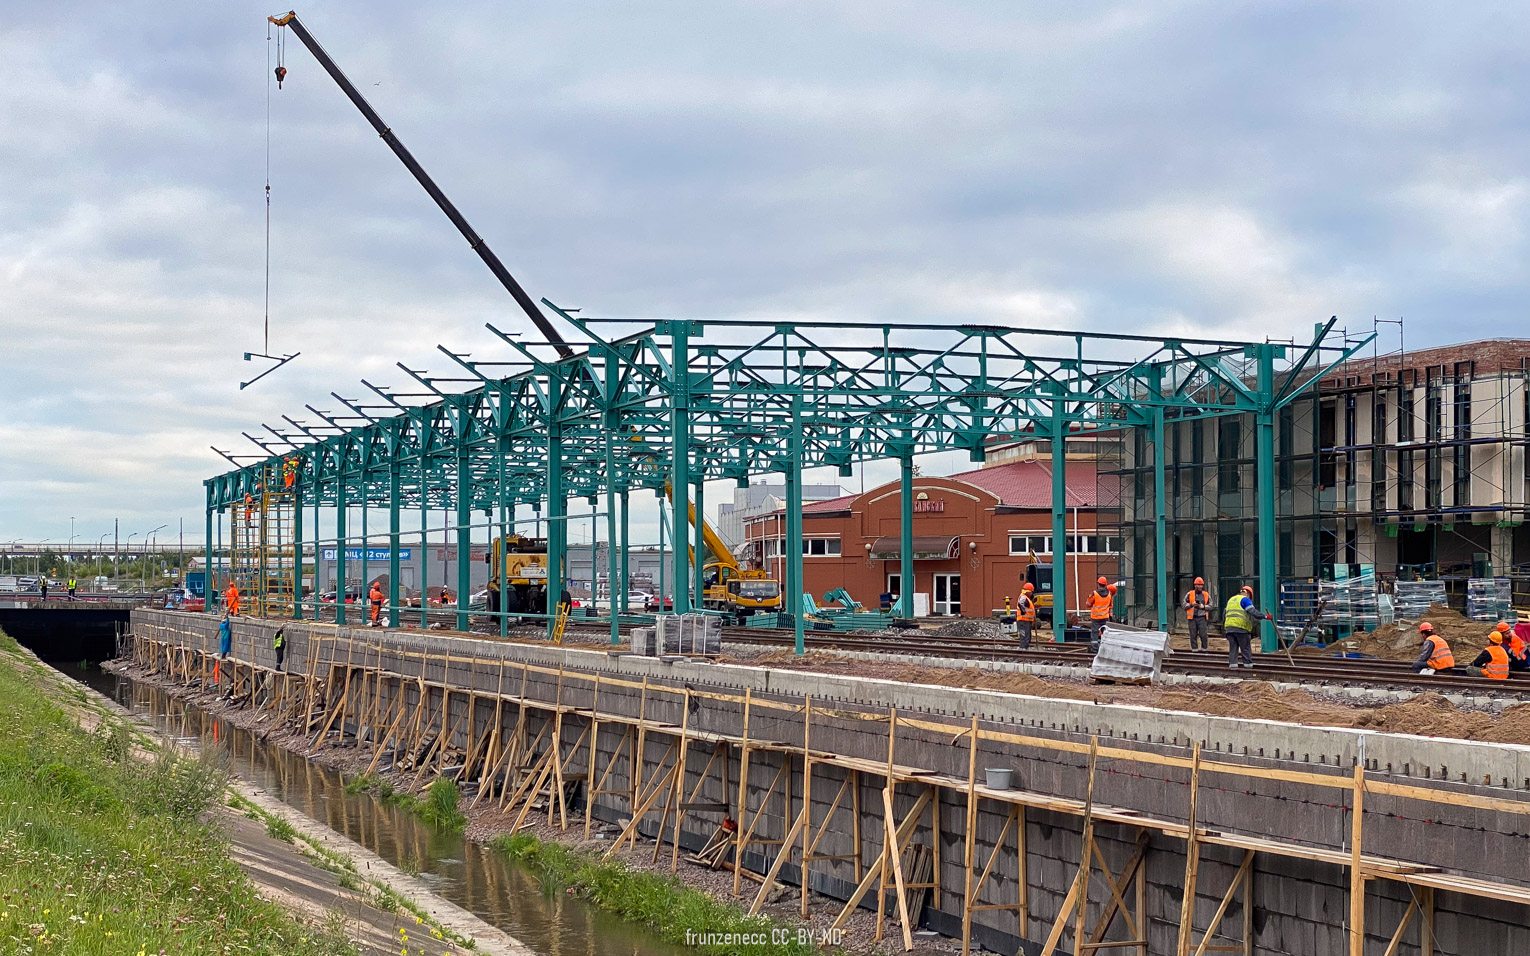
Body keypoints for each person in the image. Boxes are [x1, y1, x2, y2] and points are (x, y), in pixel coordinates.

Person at [1222, 585, 1272, 669]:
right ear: (1248, 594)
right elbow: (1253, 612)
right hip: (1241, 628)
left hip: (1229, 628)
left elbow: (1224, 615)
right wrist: (1265, 616)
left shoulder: (1231, 600)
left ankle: (1233, 666)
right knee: (1245, 648)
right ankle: (1248, 666)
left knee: (1233, 648)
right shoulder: (1245, 600)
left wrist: (1225, 628)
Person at [1087, 577, 1117, 652]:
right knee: (1104, 633)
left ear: (1098, 584)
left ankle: (1095, 649)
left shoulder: (1094, 593)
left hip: (1095, 618)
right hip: (1105, 617)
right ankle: (1104, 649)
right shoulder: (1109, 594)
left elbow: (1088, 604)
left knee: (1095, 633)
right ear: (1105, 584)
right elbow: (1110, 605)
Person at [1184, 577, 1212, 651]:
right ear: (1195, 585)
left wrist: (1203, 607)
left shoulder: (1206, 594)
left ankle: (1204, 649)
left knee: (1203, 635)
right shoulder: (1189, 594)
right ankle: (1194, 650)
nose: (1199, 586)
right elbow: (1184, 605)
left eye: (1201, 585)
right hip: (1192, 618)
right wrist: (1191, 604)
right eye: (1198, 585)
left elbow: (1211, 605)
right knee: (1193, 635)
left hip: (1202, 617)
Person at [1016, 582, 1037, 649]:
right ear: (1028, 591)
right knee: (1024, 636)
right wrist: (1023, 611)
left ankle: (1025, 648)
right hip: (1023, 620)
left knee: (1027, 636)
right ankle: (1023, 649)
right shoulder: (1023, 597)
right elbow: (1020, 603)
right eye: (1031, 592)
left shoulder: (1026, 598)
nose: (1031, 594)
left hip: (1026, 620)